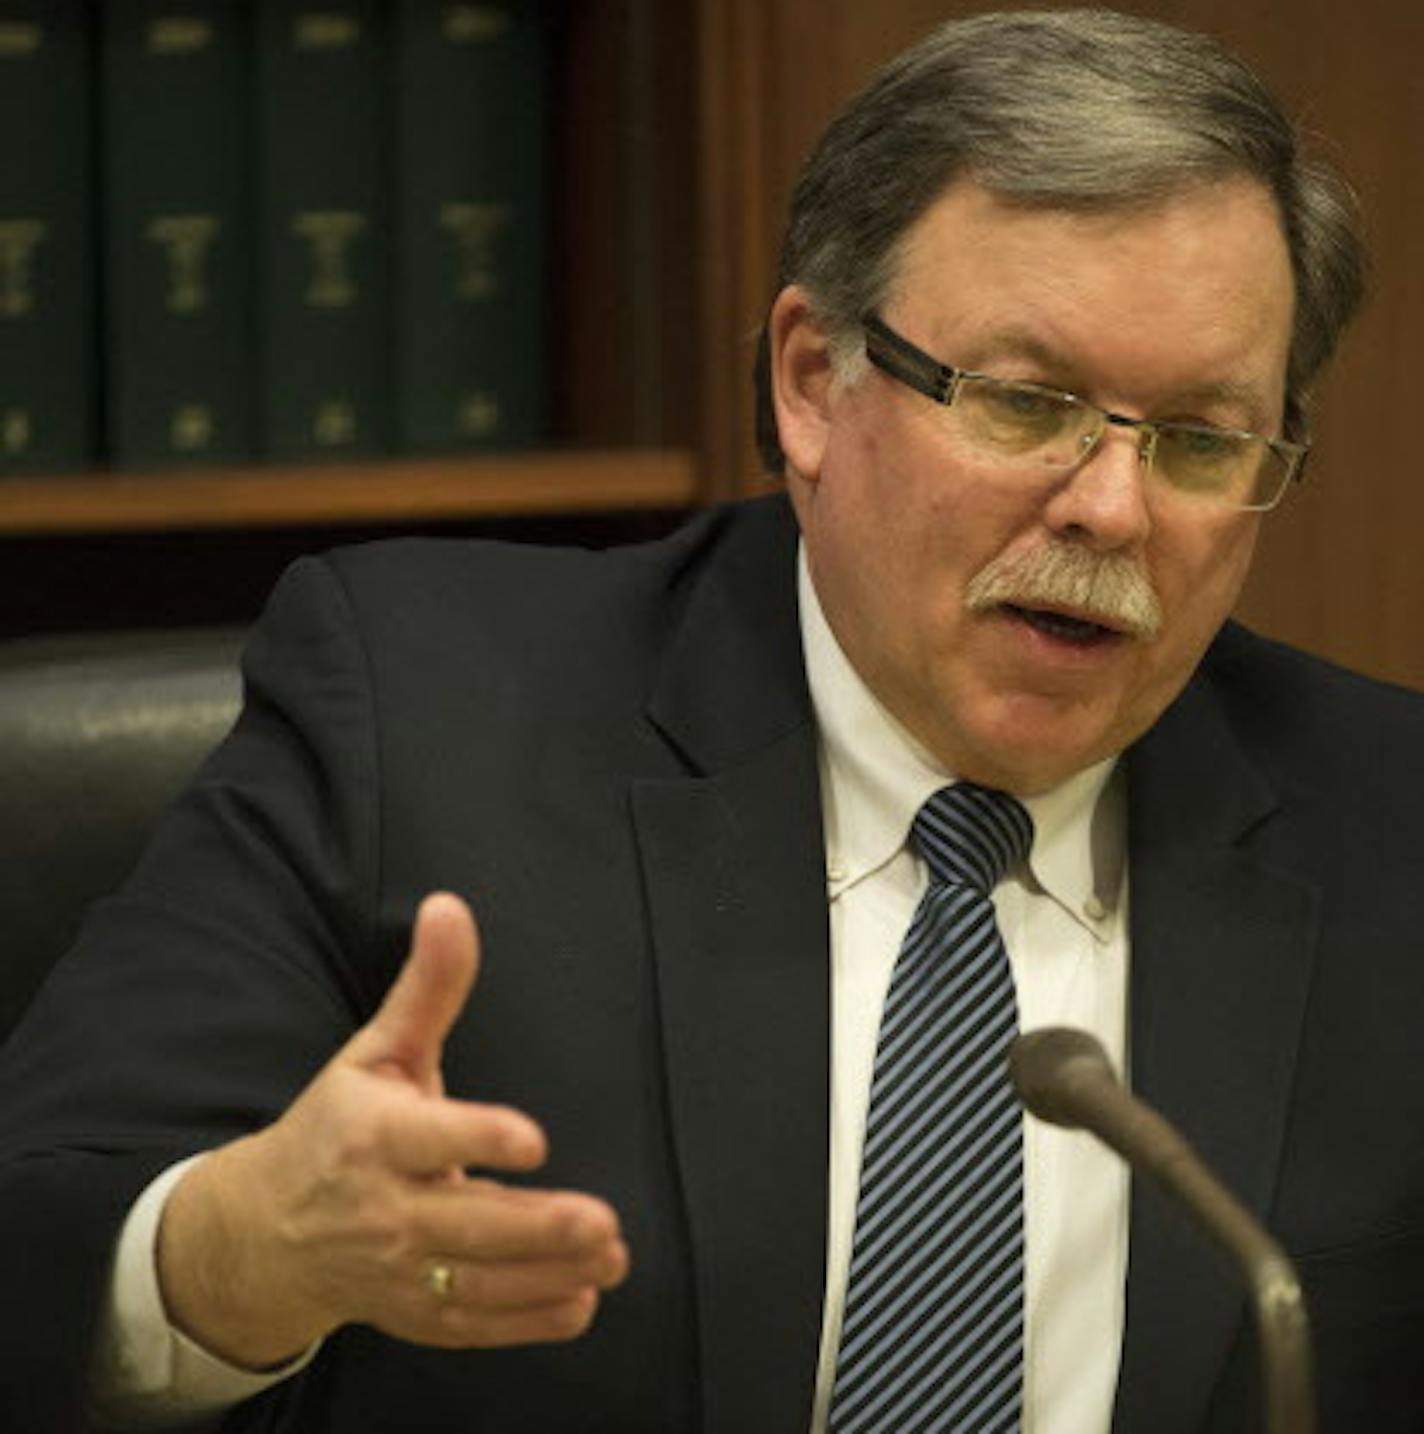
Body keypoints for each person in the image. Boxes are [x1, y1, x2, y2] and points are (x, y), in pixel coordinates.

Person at [3, 7, 1422, 1431]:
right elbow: (43, 1225)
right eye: (1024, 400)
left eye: (1198, 439)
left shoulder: (1392, 831)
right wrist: (240, 1255)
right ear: (816, 380)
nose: (1111, 507)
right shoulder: (420, 714)